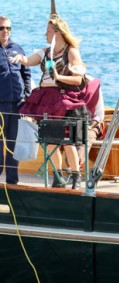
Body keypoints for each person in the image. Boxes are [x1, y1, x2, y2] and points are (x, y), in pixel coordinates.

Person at [11, 16, 100, 190]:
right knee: (51, 141)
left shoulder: (71, 52)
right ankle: (57, 177)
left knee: (68, 141)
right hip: (46, 101)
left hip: (64, 101)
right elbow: (30, 60)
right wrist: (21, 58)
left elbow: (78, 79)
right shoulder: (45, 52)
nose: (45, 34)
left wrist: (58, 77)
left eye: (48, 31)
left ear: (57, 33)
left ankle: (75, 176)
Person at [0, 15, 30, 185]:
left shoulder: (17, 49)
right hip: (0, 105)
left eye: (8, 28)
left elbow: (26, 74)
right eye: (2, 28)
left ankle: (12, 182)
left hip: (18, 104)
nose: (5, 31)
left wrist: (27, 94)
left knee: (13, 144)